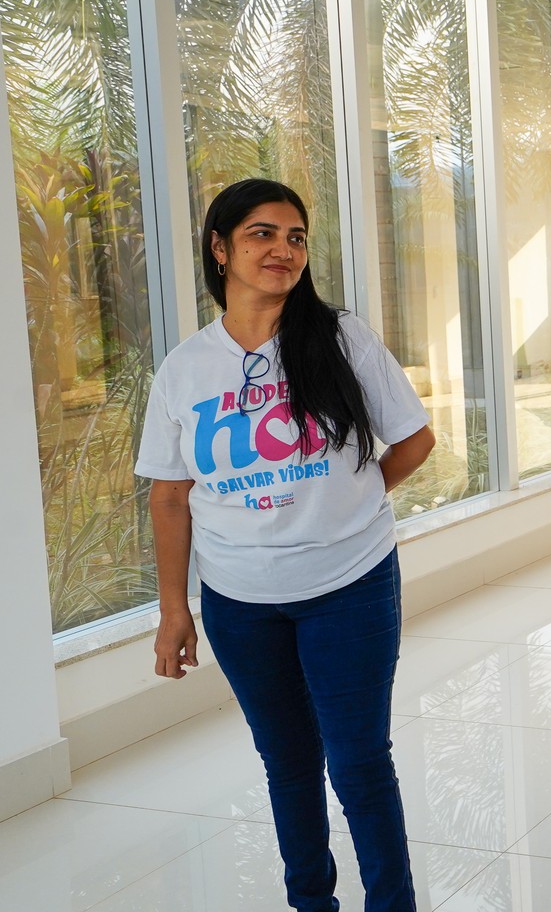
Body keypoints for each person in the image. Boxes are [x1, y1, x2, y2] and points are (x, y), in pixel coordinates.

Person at [139, 178, 436, 912]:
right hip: (240, 604)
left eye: (296, 237)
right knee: (288, 764)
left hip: (351, 587)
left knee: (360, 762)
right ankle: (312, 903)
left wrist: (349, 505)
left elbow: (414, 439)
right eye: (262, 235)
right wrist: (174, 611)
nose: (283, 250)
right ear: (220, 249)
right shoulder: (184, 370)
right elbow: (170, 495)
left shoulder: (339, 338)